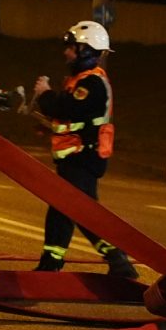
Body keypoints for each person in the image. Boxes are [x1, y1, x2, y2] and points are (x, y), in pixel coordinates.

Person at [29, 19, 136, 282]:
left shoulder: (92, 83)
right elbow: (71, 118)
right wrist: (49, 124)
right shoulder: (79, 81)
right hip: (75, 157)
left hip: (84, 158)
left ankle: (116, 259)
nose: (67, 52)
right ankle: (51, 263)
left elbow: (65, 108)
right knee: (65, 209)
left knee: (81, 211)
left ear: (87, 50)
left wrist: (44, 94)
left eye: (72, 48)